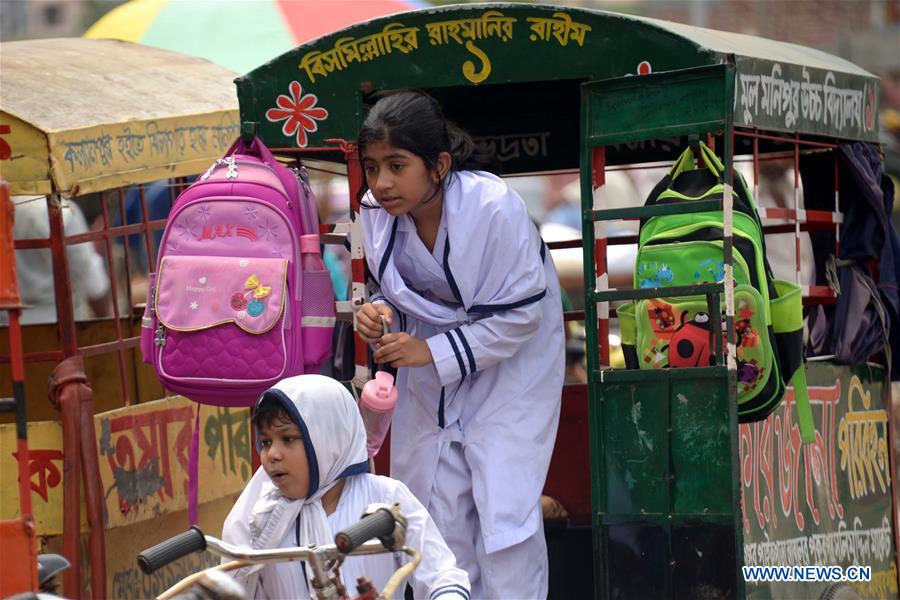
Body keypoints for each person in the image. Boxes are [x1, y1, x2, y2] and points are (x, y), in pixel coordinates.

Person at [355, 91, 564, 598]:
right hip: (425, 356)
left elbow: (520, 316)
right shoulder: (372, 212)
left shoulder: (493, 208)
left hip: (516, 359)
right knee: (432, 503)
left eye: (397, 165)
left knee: (505, 514)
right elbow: (393, 292)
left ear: (439, 166)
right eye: (371, 166)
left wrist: (432, 352)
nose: (381, 183)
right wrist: (379, 313)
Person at [221, 374, 469, 600]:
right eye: (265, 442)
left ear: (330, 438)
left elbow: (442, 575)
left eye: (288, 439)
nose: (272, 454)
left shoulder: (384, 497)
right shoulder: (260, 519)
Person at [4, 195, 110, 325]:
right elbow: (90, 275)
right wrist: (107, 323)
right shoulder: (62, 211)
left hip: (7, 326)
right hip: (59, 326)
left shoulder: (5, 207)